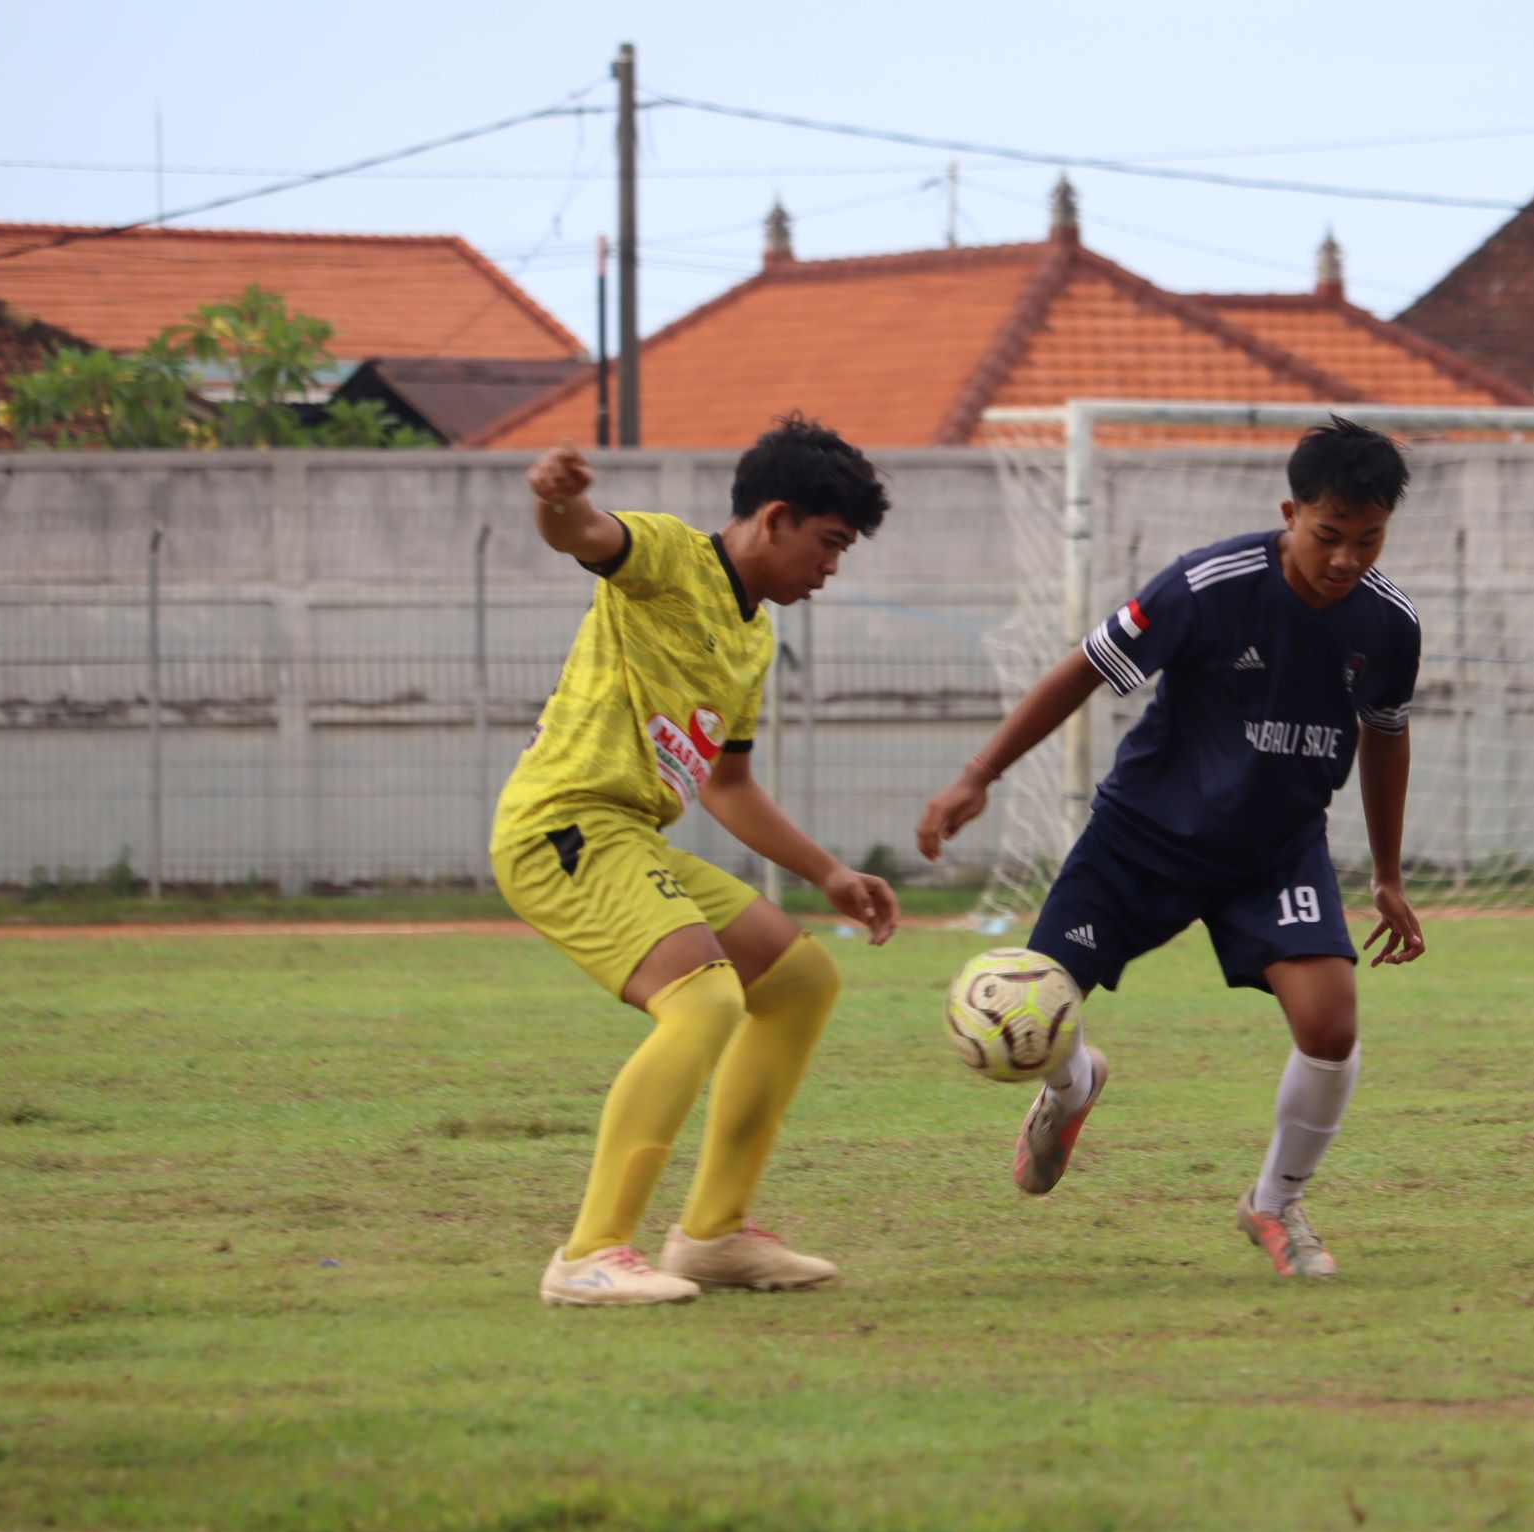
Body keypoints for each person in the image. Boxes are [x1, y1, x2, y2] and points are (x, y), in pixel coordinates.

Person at [916, 416, 1426, 1279]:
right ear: (1289, 512)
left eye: (1368, 540)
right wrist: (980, 772)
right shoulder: (1207, 584)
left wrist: (1385, 874)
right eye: (1327, 536)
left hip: (1275, 852)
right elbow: (1084, 666)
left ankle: (1274, 1202)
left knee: (1331, 1025)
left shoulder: (1389, 626)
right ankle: (1072, 1089)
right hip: (1141, 839)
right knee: (1038, 1009)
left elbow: (1385, 735)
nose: (1345, 560)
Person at [495, 417, 899, 1308]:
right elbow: (586, 536)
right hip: (563, 824)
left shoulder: (753, 636)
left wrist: (828, 872)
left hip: (632, 836)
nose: (832, 568)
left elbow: (729, 783)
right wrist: (556, 501)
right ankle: (590, 1254)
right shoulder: (670, 556)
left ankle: (713, 1235)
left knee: (798, 980)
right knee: (706, 999)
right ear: (776, 518)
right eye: (829, 544)